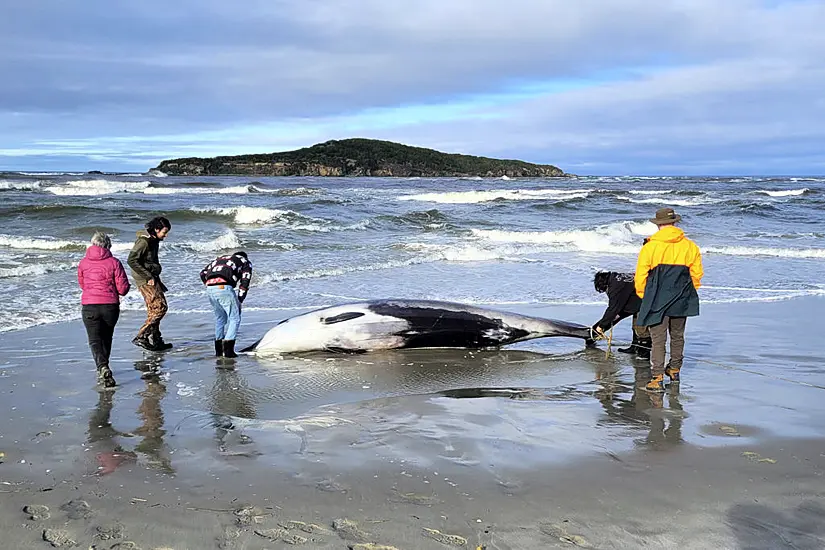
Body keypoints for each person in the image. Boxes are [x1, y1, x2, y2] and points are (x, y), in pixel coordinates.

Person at [635, 208, 704, 392]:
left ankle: (657, 378)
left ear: (658, 225)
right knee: (677, 336)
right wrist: (688, 291)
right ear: (674, 224)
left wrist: (644, 295)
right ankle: (674, 370)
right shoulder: (690, 246)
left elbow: (640, 275)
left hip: (657, 297)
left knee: (658, 339)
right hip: (682, 296)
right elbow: (697, 274)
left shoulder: (650, 246)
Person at [77, 231, 130, 387]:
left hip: (89, 305)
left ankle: (102, 367)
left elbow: (82, 285)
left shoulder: (83, 263)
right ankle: (104, 366)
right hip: (110, 306)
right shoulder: (114, 262)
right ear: (107, 246)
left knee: (94, 339)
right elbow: (123, 289)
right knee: (107, 337)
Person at [128, 216, 172, 351]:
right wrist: (147, 276)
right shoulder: (144, 242)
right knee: (160, 308)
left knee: (153, 310)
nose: (166, 235)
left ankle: (156, 340)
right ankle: (141, 336)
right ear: (156, 229)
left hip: (152, 277)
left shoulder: (154, 240)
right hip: (146, 279)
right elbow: (131, 260)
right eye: (164, 232)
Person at [199, 251, 253, 358]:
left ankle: (218, 351)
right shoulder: (245, 261)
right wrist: (240, 299)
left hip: (210, 288)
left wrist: (209, 284)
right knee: (235, 318)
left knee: (220, 319)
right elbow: (245, 281)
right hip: (224, 287)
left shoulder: (220, 259)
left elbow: (203, 273)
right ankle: (228, 351)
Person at [592, 270, 651, 359]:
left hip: (647, 300)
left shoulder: (616, 287)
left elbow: (613, 309)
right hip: (640, 298)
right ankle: (634, 348)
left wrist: (601, 326)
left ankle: (645, 354)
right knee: (636, 326)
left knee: (641, 329)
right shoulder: (616, 278)